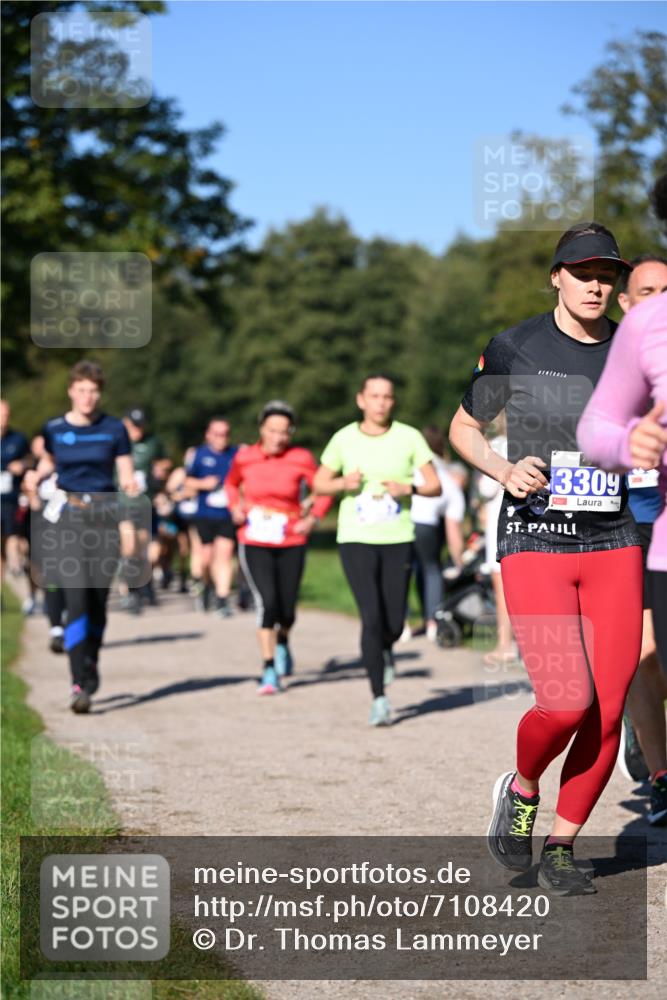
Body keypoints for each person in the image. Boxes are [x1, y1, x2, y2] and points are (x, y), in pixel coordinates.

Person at [450, 222, 642, 895]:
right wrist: (503, 471)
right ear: (555, 276)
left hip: (613, 539)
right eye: (581, 271)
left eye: (605, 274)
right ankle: (523, 787)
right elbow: (463, 428)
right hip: (535, 537)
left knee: (608, 710)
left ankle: (561, 845)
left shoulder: (634, 350)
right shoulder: (516, 345)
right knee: (563, 704)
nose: (595, 284)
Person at [578, 263, 667, 827]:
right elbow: (588, 433)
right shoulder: (603, 359)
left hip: (659, 524)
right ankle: (660, 772)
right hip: (615, 525)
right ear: (628, 303)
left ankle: (646, 737)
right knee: (640, 656)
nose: (658, 300)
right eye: (648, 292)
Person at [314, 375, 440, 726]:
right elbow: (318, 483)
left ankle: (386, 649)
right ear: (361, 400)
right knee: (370, 617)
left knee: (393, 620)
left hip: (397, 538)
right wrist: (342, 483)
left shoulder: (409, 436)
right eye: (375, 396)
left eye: (387, 397)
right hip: (355, 537)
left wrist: (408, 487)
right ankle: (379, 699)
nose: (381, 402)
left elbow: (434, 485)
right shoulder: (344, 438)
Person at [24, 361, 137, 713]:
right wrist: (34, 476)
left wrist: (131, 491)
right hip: (68, 520)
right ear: (71, 391)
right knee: (75, 603)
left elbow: (125, 473)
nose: (87, 397)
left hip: (103, 519)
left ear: (100, 394)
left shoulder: (115, 429)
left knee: (97, 605)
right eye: (81, 390)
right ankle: (77, 683)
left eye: (94, 391)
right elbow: (49, 464)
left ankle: (91, 660)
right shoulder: (55, 428)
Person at [226, 401, 332, 694]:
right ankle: (269, 668)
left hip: (291, 538)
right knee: (267, 602)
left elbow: (322, 488)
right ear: (261, 429)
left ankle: (283, 640)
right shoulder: (245, 456)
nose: (278, 437)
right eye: (272, 430)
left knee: (286, 608)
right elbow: (231, 484)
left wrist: (313, 518)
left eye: (284, 432)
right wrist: (235, 506)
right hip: (255, 538)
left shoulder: (301, 457)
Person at [410, 425, 465, 641]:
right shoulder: (445, 476)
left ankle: (402, 622)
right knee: (432, 569)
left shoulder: (409, 462)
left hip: (399, 522)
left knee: (408, 571)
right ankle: (433, 620)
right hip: (426, 525)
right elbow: (453, 533)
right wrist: (459, 562)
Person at [475, 414, 518, 665]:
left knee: (502, 588)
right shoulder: (540, 442)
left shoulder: (498, 445)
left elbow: (486, 489)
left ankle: (505, 644)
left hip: (499, 524)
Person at [186, 417, 238, 617]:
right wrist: (203, 484)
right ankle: (206, 585)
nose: (221, 438)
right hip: (204, 514)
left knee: (224, 555)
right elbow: (188, 482)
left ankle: (222, 598)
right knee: (206, 558)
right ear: (208, 435)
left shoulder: (235, 455)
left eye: (225, 434)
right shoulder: (199, 454)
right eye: (217, 434)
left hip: (226, 514)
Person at [121, 408, 166, 611]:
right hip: (122, 502)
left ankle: (141, 584)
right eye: (134, 425)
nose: (138, 429)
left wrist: (160, 469)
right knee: (129, 545)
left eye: (141, 425)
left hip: (145, 503)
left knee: (144, 551)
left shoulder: (152, 443)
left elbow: (164, 461)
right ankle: (131, 591)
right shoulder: (118, 442)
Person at [1, 400, 30, 588]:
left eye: (5, 415)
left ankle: (15, 564)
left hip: (12, 499)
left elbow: (30, 459)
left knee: (13, 536)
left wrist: (22, 465)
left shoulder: (18, 439)